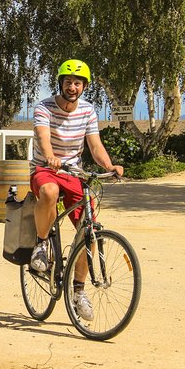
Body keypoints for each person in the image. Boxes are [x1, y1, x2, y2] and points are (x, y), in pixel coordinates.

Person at [28, 59, 124, 321]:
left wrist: (109, 165)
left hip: (74, 173)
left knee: (89, 230)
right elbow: (42, 137)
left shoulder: (88, 111)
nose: (72, 87)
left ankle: (78, 291)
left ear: (84, 87)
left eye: (78, 83)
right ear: (60, 83)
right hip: (46, 168)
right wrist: (50, 157)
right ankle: (41, 244)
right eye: (68, 82)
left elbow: (94, 145)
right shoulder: (43, 107)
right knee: (48, 193)